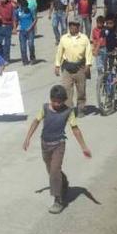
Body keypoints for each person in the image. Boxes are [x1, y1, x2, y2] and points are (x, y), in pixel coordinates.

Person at [22, 85, 92, 214]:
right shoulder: (45, 108)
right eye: (54, 101)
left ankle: (58, 200)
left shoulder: (68, 111)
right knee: (52, 171)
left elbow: (75, 129)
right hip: (45, 144)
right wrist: (27, 138)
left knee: (54, 171)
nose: (57, 104)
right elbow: (35, 122)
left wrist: (84, 147)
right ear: (51, 99)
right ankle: (63, 183)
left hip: (59, 145)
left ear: (64, 100)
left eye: (60, 102)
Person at [54, 17, 93, 118]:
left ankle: (81, 109)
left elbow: (88, 53)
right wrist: (57, 65)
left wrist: (88, 65)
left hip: (80, 67)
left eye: (75, 25)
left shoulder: (84, 38)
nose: (72, 27)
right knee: (66, 90)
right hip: (67, 67)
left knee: (81, 90)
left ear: (78, 27)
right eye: (70, 25)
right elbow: (59, 52)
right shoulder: (64, 38)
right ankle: (69, 111)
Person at [14, 0, 37, 65]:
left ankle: (32, 58)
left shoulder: (31, 10)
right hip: (22, 31)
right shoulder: (17, 11)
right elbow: (15, 20)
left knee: (31, 45)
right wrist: (15, 28)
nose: (25, 8)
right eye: (23, 6)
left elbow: (35, 19)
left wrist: (30, 27)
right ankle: (25, 60)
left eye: (26, 6)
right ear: (20, 5)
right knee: (23, 47)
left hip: (30, 30)